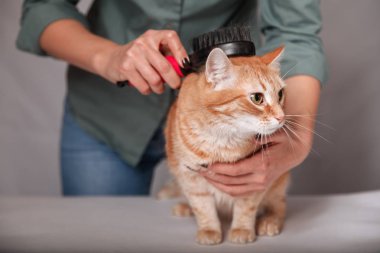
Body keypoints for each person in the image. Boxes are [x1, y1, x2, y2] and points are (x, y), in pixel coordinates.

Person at [16, 0, 327, 196]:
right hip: (106, 116)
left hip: (234, 130)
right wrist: (108, 58)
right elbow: (44, 7)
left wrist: (297, 141)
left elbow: (296, 33)